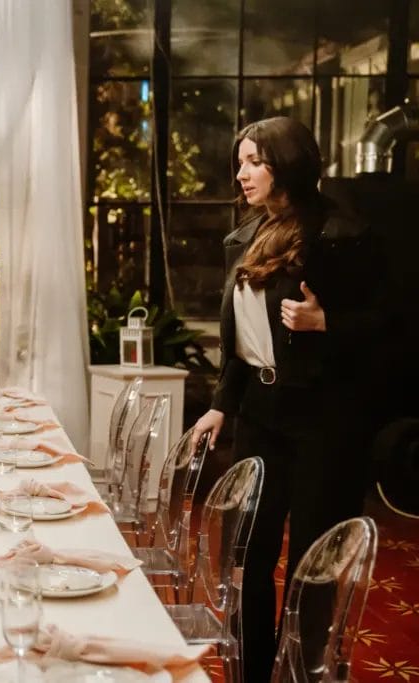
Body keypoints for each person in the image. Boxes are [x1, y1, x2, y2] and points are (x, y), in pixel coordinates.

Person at [190, 117, 385, 682]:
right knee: (246, 554)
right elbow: (240, 342)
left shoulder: (341, 234)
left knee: (312, 563)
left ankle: (300, 673)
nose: (242, 172)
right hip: (259, 416)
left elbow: (392, 328)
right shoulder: (247, 235)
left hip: (323, 422)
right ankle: (252, 673)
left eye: (256, 162)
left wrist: (329, 322)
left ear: (288, 166)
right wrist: (221, 404)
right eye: (241, 161)